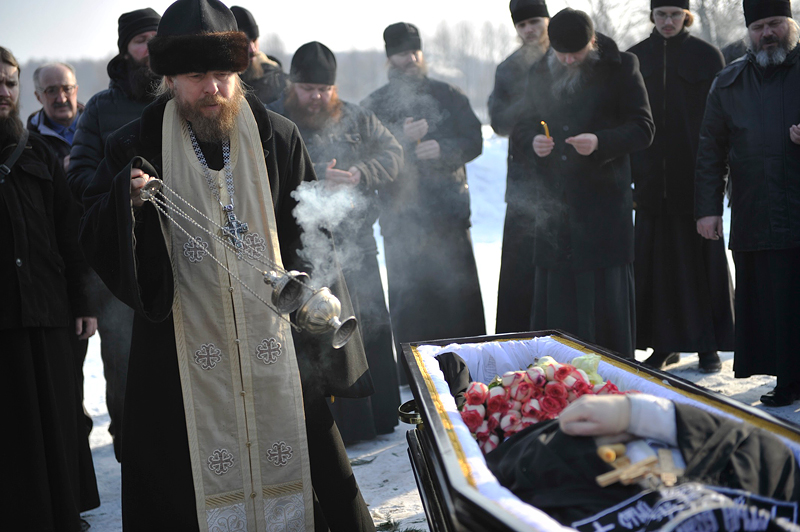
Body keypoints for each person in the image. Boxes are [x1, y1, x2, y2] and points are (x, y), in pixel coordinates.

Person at [79, 1, 375, 530]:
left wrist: (317, 311)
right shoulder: (134, 144)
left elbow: (312, 233)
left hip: (274, 342)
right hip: (180, 350)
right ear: (169, 79)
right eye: (197, 77)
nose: (212, 89)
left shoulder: (278, 136)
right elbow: (94, 233)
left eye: (222, 74)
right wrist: (127, 202)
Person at [269, 41, 402, 442]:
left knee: (368, 327)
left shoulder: (357, 117)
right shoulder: (274, 120)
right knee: (317, 335)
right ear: (292, 85)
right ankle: (332, 429)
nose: (316, 97)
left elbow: (393, 154)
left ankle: (377, 418)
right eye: (308, 88)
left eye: (324, 89)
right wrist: (312, 179)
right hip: (304, 249)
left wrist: (360, 172)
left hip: (357, 242)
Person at [511, 9, 655, 358]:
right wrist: (533, 141)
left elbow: (644, 128)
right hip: (555, 211)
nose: (568, 60)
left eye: (575, 52)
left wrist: (601, 142)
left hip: (603, 209)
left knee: (604, 308)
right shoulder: (539, 70)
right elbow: (523, 125)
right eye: (561, 53)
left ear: (592, 42)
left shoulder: (622, 66)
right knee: (559, 308)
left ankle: (611, 373)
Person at [0, 46, 98, 532]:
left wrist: (83, 302)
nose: (4, 92)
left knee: (59, 417)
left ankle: (64, 513)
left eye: (9, 83)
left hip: (50, 309)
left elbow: (67, 233)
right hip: (4, 316)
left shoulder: (37, 152)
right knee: (13, 423)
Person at [361, 22, 486, 371]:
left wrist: (444, 149)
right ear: (390, 58)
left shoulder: (449, 94)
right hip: (402, 222)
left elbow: (474, 140)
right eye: (403, 53)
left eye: (415, 51)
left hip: (449, 217)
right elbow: (367, 156)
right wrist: (400, 138)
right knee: (412, 305)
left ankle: (467, 370)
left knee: (458, 302)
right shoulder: (374, 105)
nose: (411, 59)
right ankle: (416, 376)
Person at [67, 7, 161, 462]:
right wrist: (124, 186)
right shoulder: (101, 109)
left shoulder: (182, 96)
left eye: (157, 38)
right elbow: (79, 178)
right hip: (122, 267)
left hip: (183, 258)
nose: (151, 47)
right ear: (126, 49)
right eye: (141, 40)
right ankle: (134, 465)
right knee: (126, 371)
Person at [695, 0, 800, 406]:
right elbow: (711, 150)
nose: (767, 33)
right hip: (756, 209)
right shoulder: (728, 82)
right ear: (748, 32)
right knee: (772, 301)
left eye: (775, 23)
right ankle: (787, 379)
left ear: (790, 23)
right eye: (758, 27)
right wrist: (707, 208)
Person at [487, 393, 800, 528]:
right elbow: (771, 459)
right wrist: (640, 415)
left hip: (566, 477)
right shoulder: (773, 490)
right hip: (671, 455)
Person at [627, 1, 733, 372]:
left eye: (675, 14)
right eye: (661, 14)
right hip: (650, 184)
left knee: (700, 266)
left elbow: (721, 119)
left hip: (696, 181)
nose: (668, 21)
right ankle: (663, 345)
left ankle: (708, 346)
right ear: (652, 16)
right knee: (657, 269)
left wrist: (717, 178)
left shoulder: (707, 56)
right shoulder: (635, 58)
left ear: (686, 16)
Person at [490, 0, 551, 334]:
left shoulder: (566, 56)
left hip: (564, 177)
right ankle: (518, 337)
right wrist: (528, 101)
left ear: (548, 21)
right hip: (523, 179)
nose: (529, 30)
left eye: (534, 22)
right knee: (520, 268)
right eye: (522, 25)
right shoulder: (508, 68)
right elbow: (499, 122)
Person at [26, 63, 83, 170]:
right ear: (39, 97)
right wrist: (60, 171)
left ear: (76, 91)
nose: (61, 99)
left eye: (67, 89)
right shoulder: (28, 144)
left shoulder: (99, 125)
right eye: (51, 91)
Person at [231, 5, 289, 105]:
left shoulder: (274, 77)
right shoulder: (219, 83)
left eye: (254, 41)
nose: (252, 49)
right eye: (245, 43)